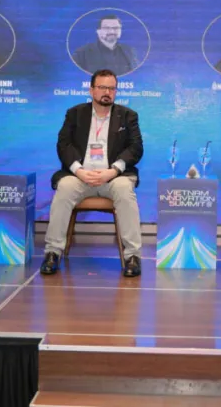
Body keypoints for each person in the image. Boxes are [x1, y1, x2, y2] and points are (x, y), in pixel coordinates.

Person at [41, 69, 144, 277]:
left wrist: (113, 171)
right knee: (65, 187)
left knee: (125, 189)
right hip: (80, 177)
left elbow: (135, 148)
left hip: (112, 177)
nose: (107, 92)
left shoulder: (127, 116)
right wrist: (78, 171)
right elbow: (63, 145)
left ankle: (132, 256)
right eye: (102, 87)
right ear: (91, 90)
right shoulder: (75, 113)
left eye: (112, 88)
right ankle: (53, 252)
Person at [72, 15, 139, 76]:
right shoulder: (82, 54)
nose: (112, 31)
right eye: (107, 28)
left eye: (116, 28)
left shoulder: (129, 51)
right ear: (98, 31)